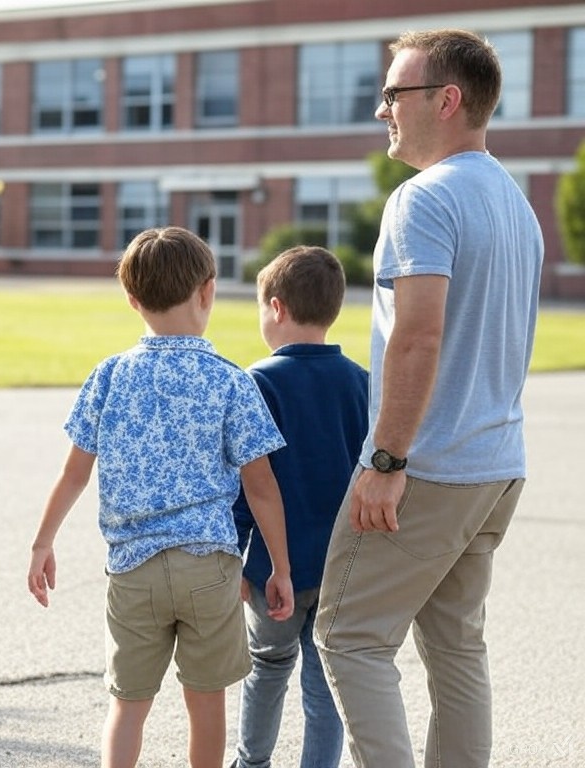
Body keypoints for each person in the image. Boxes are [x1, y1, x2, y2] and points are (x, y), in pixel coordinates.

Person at [313, 29, 544, 768]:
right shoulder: (514, 202)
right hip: (496, 463)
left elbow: (418, 337)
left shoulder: (424, 200)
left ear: (446, 100)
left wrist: (385, 459)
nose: (381, 109)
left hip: (429, 466)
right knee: (456, 649)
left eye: (393, 94)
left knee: (349, 635)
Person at [27, 226, 294, 768]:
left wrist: (42, 543)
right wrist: (280, 568)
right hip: (209, 565)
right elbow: (261, 488)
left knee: (128, 705)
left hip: (133, 569)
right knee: (206, 702)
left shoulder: (110, 376)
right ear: (208, 291)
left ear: (132, 299)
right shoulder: (231, 381)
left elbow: (74, 473)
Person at [231, 246, 368, 768]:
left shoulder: (256, 383)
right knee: (324, 680)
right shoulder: (361, 383)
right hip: (342, 567)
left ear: (277, 307)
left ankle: (252, 762)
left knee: (267, 665)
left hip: (273, 566)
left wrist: (238, 558)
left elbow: (247, 483)